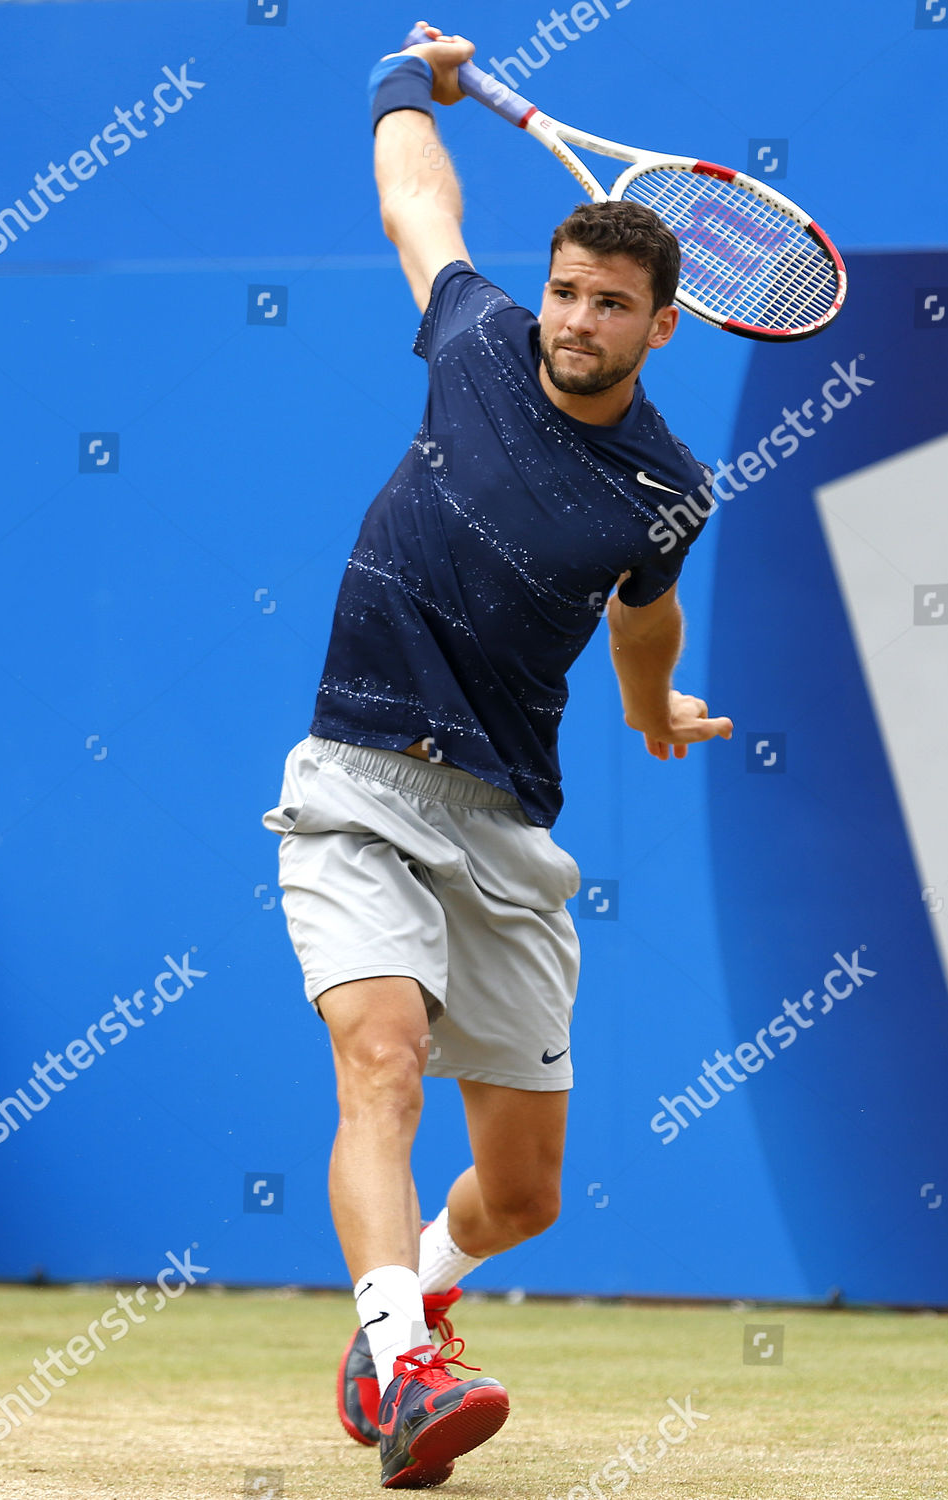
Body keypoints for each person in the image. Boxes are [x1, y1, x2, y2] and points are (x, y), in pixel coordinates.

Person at [261, 21, 733, 1490]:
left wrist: (654, 711)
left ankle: (431, 1292)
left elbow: (641, 621)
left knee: (522, 1193)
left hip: (508, 822)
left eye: (608, 304)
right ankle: (402, 1363)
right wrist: (407, 79)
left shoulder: (668, 487)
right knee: (379, 1059)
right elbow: (419, 199)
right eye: (567, 290)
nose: (571, 318)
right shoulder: (473, 335)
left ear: (665, 325)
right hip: (355, 783)